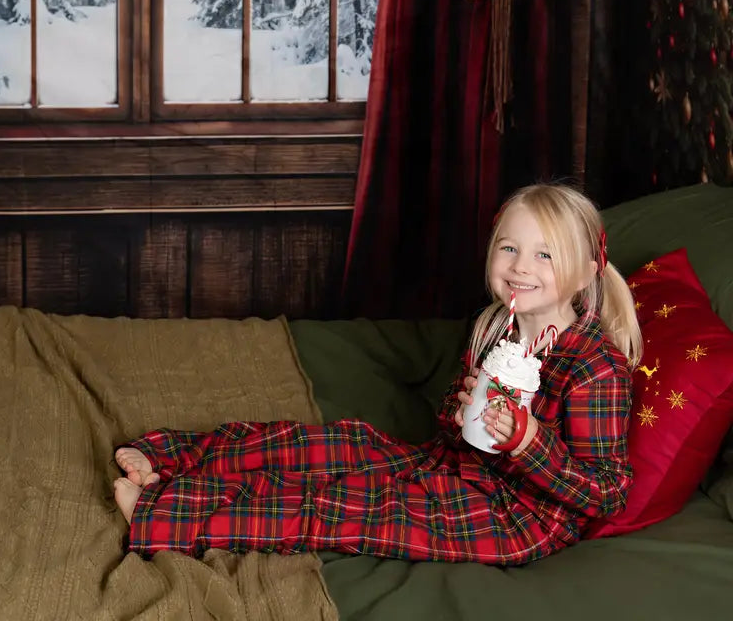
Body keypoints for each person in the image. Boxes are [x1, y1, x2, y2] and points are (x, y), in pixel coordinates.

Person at [113, 183, 641, 565]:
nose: (521, 266)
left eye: (544, 254)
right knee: (330, 447)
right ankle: (171, 456)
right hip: (451, 465)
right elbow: (458, 424)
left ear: (586, 271)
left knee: (337, 509)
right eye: (510, 247)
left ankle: (168, 513)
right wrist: (459, 413)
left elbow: (605, 492)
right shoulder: (497, 327)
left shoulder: (596, 369)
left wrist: (527, 442)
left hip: (518, 516)